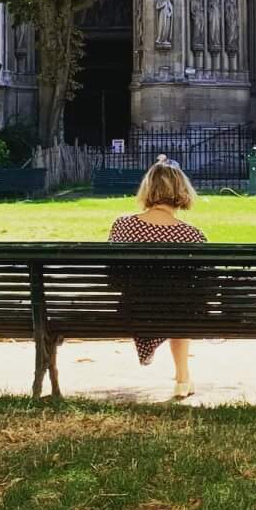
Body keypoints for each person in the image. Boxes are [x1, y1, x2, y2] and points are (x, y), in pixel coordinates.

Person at [108, 157, 206, 399]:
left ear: (148, 189)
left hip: (134, 308)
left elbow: (113, 277)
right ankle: (182, 378)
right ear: (182, 191)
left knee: (175, 303)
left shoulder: (122, 226)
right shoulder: (191, 235)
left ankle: (157, 352)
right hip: (175, 310)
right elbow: (203, 286)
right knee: (183, 304)